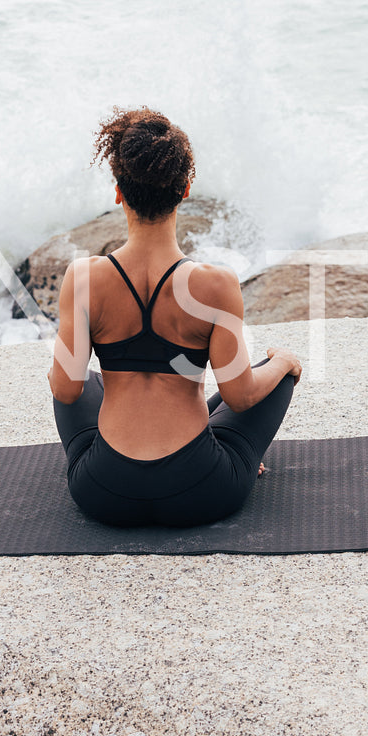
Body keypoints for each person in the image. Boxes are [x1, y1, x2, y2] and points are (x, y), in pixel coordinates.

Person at [49, 108, 301, 528]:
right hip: (202, 490)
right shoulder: (216, 284)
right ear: (185, 190)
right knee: (272, 378)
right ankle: (241, 452)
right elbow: (239, 396)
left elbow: (65, 389)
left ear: (118, 193)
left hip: (105, 492)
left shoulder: (84, 277)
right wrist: (285, 361)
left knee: (87, 381)